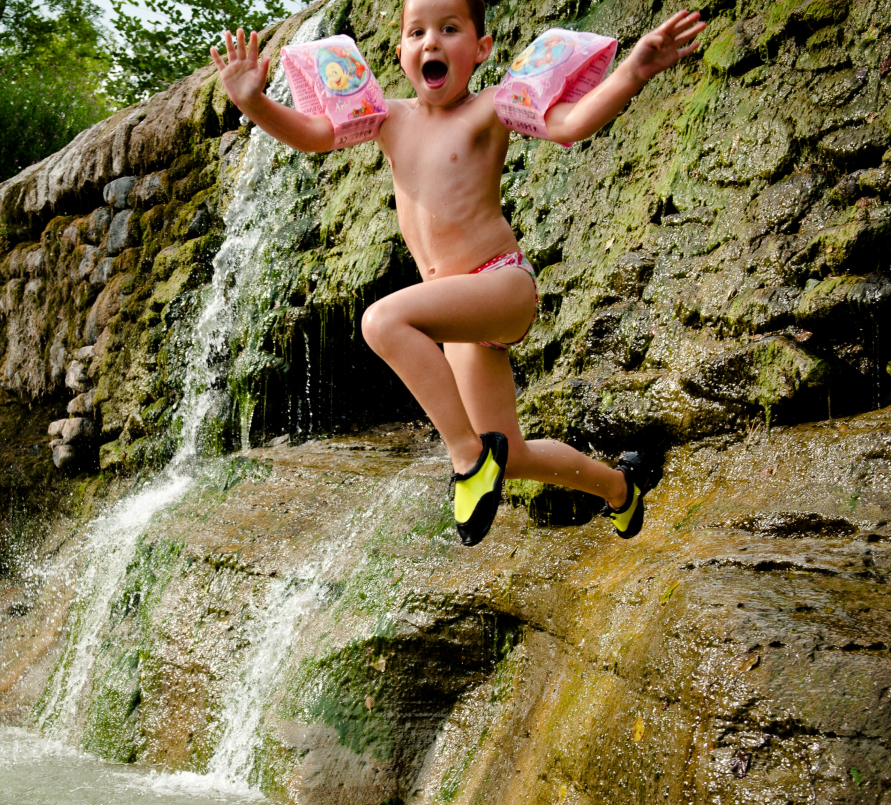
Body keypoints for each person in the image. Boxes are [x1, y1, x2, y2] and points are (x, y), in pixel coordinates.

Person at [212, 1, 705, 546]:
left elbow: (575, 120)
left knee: (382, 322)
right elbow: (311, 133)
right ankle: (620, 487)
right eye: (417, 31)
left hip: (500, 284)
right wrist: (252, 100)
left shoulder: (492, 107)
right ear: (400, 52)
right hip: (459, 315)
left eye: (450, 29)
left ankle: (467, 459)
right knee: (510, 453)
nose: (432, 42)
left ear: (482, 48)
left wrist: (634, 71)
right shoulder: (388, 120)